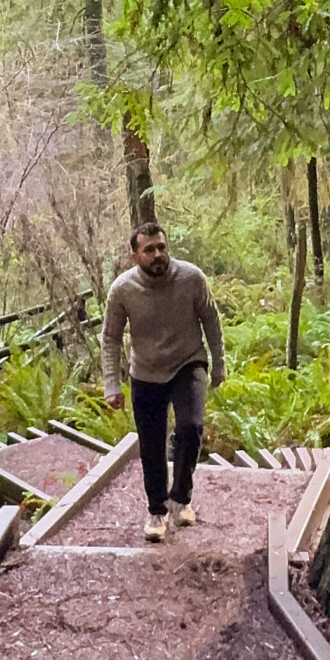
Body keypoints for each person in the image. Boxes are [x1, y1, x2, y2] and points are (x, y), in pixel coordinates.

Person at [101, 222, 226, 543]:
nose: (158, 255)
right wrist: (111, 385)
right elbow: (111, 339)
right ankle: (157, 510)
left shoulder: (191, 278)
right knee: (151, 445)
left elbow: (211, 320)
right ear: (135, 256)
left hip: (189, 363)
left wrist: (218, 365)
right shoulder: (122, 290)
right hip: (145, 372)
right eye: (149, 250)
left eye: (161, 247)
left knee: (190, 427)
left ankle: (181, 498)